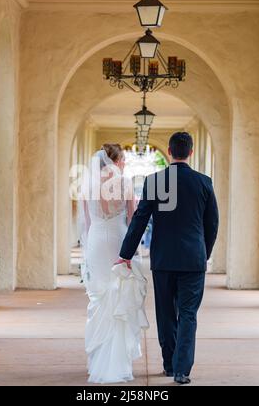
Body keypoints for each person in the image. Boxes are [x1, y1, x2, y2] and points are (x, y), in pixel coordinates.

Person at [116, 132, 219, 385]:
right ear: (190, 153)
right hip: (193, 259)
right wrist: (203, 252)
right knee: (188, 314)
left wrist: (125, 253)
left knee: (165, 313)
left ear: (170, 153)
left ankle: (169, 365)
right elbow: (212, 224)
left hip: (163, 259)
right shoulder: (204, 182)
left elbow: (140, 219)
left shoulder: (153, 182)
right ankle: (182, 370)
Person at [81, 144, 149, 384]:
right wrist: (134, 252)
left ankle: (99, 358)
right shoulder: (125, 183)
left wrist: (88, 252)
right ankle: (118, 361)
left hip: (97, 241)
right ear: (116, 160)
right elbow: (132, 219)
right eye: (123, 160)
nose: (124, 164)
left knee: (99, 298)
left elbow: (87, 223)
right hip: (119, 239)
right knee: (120, 295)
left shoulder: (87, 183)